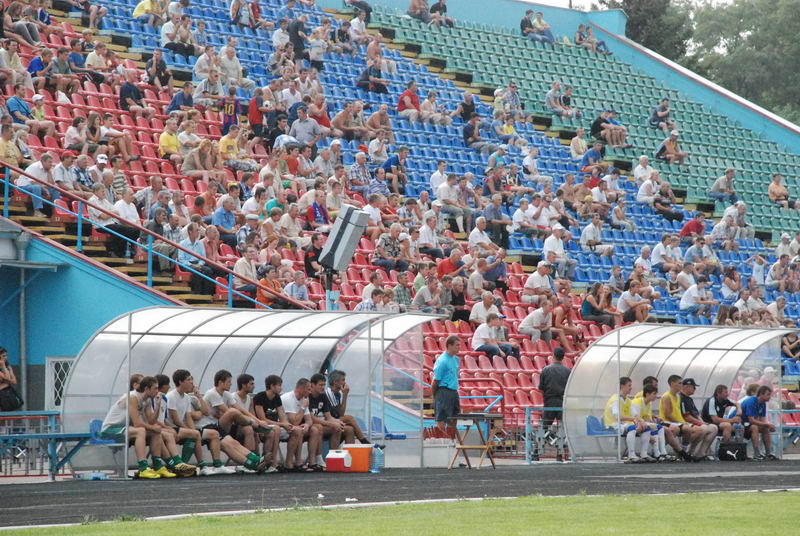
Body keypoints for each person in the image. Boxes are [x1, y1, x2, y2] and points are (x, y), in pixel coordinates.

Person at [100, 375, 175, 479]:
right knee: (140, 431)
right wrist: (153, 427)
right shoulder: (132, 397)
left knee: (156, 432)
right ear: (147, 389)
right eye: (155, 388)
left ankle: (158, 466)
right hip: (110, 429)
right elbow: (137, 423)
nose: (157, 391)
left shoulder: (148, 400)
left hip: (125, 429)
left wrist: (158, 406)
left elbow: (151, 421)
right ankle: (143, 468)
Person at [252, 375, 302, 471]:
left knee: (297, 431)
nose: (281, 388)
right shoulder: (260, 397)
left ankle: (288, 462)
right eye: (279, 385)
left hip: (275, 426)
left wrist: (288, 425)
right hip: (261, 427)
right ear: (272, 386)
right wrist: (283, 424)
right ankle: (273, 462)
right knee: (277, 428)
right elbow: (263, 419)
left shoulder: (277, 398)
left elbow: (282, 416)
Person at [603, 377, 650, 462]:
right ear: (622, 386)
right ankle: (631, 455)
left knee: (646, 428)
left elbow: (635, 414)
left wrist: (642, 421)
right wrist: (633, 419)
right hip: (613, 425)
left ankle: (644, 454)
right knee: (632, 428)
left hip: (623, 424)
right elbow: (618, 417)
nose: (631, 388)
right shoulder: (615, 399)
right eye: (629, 385)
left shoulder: (628, 400)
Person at [281, 378, 323, 472]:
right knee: (298, 430)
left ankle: (312, 462)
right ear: (300, 389)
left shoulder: (304, 399)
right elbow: (294, 422)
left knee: (314, 430)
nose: (310, 392)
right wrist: (303, 407)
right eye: (308, 389)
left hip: (295, 428)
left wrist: (307, 425)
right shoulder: (288, 398)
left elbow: (309, 420)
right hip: (283, 427)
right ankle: (290, 463)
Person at [325, 370, 371, 445]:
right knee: (349, 418)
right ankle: (364, 441)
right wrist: (345, 395)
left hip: (333, 419)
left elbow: (341, 414)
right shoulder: (329, 392)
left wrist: (345, 395)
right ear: (335, 382)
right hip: (324, 421)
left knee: (350, 429)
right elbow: (336, 415)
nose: (345, 383)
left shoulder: (339, 393)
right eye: (343, 380)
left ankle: (350, 451)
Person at [679, 378, 719, 461]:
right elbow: (687, 417)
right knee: (703, 428)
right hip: (685, 422)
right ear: (686, 387)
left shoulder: (689, 399)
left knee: (713, 428)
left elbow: (697, 414)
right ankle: (688, 452)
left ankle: (701, 453)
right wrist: (701, 424)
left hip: (694, 422)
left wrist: (702, 422)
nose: (695, 389)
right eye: (693, 387)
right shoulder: (681, 398)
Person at [432, 335, 461, 437]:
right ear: (449, 345)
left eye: (459, 345)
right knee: (442, 419)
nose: (459, 347)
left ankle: (451, 440)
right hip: (443, 391)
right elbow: (436, 380)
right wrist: (435, 395)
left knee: (454, 418)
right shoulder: (442, 361)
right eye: (457, 345)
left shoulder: (456, 359)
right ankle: (441, 440)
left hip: (454, 391)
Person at [740, 385, 777, 460]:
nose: (769, 397)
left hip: (748, 424)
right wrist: (767, 424)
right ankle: (756, 453)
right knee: (755, 427)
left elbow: (762, 420)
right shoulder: (751, 402)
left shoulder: (763, 403)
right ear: (761, 394)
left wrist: (768, 425)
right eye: (768, 394)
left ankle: (768, 453)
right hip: (741, 424)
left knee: (765, 428)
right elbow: (751, 420)